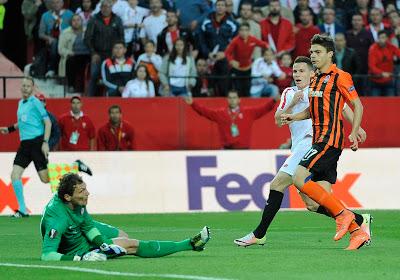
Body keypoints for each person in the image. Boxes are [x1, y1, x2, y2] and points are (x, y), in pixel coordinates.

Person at [234, 56, 372, 250]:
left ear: (311, 72)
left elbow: (341, 107)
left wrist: (356, 128)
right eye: (295, 71)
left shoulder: (319, 88)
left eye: (301, 71)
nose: (297, 74)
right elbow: (278, 120)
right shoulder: (289, 92)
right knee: (313, 204)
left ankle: (259, 234)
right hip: (304, 146)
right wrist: (292, 104)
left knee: (277, 184)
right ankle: (359, 219)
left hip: (313, 144)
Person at [281, 34, 369, 250]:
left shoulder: (341, 77)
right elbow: (313, 110)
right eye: (312, 52)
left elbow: (357, 106)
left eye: (318, 52)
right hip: (321, 140)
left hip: (329, 139)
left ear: (330, 54)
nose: (313, 56)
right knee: (315, 202)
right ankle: (358, 232)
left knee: (299, 178)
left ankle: (344, 215)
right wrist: (294, 116)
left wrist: (355, 131)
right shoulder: (316, 78)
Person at [41, 173, 211, 261]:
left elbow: (87, 226)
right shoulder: (58, 220)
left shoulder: (76, 202)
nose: (87, 194)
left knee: (122, 235)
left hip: (79, 233)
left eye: (85, 189)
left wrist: (104, 245)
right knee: (131, 245)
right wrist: (80, 258)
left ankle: (104, 249)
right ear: (67, 197)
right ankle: (188, 244)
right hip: (76, 250)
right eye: (82, 191)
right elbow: (47, 255)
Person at [0, 77, 51, 217]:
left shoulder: (36, 103)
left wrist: (45, 142)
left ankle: (75, 166)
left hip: (36, 142)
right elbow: (23, 122)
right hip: (25, 145)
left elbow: (48, 123)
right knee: (15, 175)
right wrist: (10, 129)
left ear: (33, 88)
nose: (25, 88)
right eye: (23, 85)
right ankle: (22, 209)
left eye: (28, 86)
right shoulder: (20, 103)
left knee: (45, 179)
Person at [184, 89, 275, 149]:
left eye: (234, 97)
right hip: (226, 150)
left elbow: (264, 109)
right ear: (227, 99)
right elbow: (205, 112)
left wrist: (274, 101)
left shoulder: (248, 112)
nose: (232, 100)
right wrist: (193, 104)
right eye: (230, 98)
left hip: (244, 151)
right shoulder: (220, 113)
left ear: (239, 99)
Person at [84, 0, 124, 96]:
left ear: (111, 8)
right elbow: (87, 38)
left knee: (113, 77)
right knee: (94, 76)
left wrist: (118, 53)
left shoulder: (117, 19)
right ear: (100, 8)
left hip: (113, 54)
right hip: (97, 54)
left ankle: (110, 97)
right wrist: (93, 53)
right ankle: (89, 99)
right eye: (104, 6)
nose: (106, 9)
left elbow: (121, 38)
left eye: (108, 7)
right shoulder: (94, 19)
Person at [224, 22, 269, 97]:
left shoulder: (252, 39)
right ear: (239, 31)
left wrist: (268, 50)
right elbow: (227, 53)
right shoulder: (235, 41)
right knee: (238, 90)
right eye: (242, 30)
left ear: (249, 31)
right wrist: (231, 61)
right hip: (237, 69)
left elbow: (264, 44)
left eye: (246, 30)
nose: (244, 32)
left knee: (247, 89)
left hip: (248, 69)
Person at [38, 0, 74, 77]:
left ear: (62, 4)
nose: (55, 4)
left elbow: (75, 28)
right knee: (55, 43)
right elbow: (41, 33)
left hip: (67, 40)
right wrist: (48, 38)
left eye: (58, 2)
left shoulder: (70, 14)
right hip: (52, 40)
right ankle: (52, 69)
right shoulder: (45, 16)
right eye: (53, 3)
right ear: (50, 4)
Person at [58, 14, 90, 93]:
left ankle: (85, 88)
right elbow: (60, 49)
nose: (76, 22)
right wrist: (70, 53)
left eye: (78, 20)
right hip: (73, 55)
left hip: (86, 55)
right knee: (70, 61)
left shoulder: (87, 31)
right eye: (74, 20)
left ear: (82, 21)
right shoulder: (65, 33)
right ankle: (71, 85)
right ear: (71, 22)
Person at [368, 30, 400, 96]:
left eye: (383, 37)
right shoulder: (373, 49)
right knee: (375, 103)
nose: (381, 40)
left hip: (389, 81)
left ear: (387, 39)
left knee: (391, 103)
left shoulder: (391, 47)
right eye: (379, 38)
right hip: (375, 81)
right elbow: (372, 66)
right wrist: (382, 73)